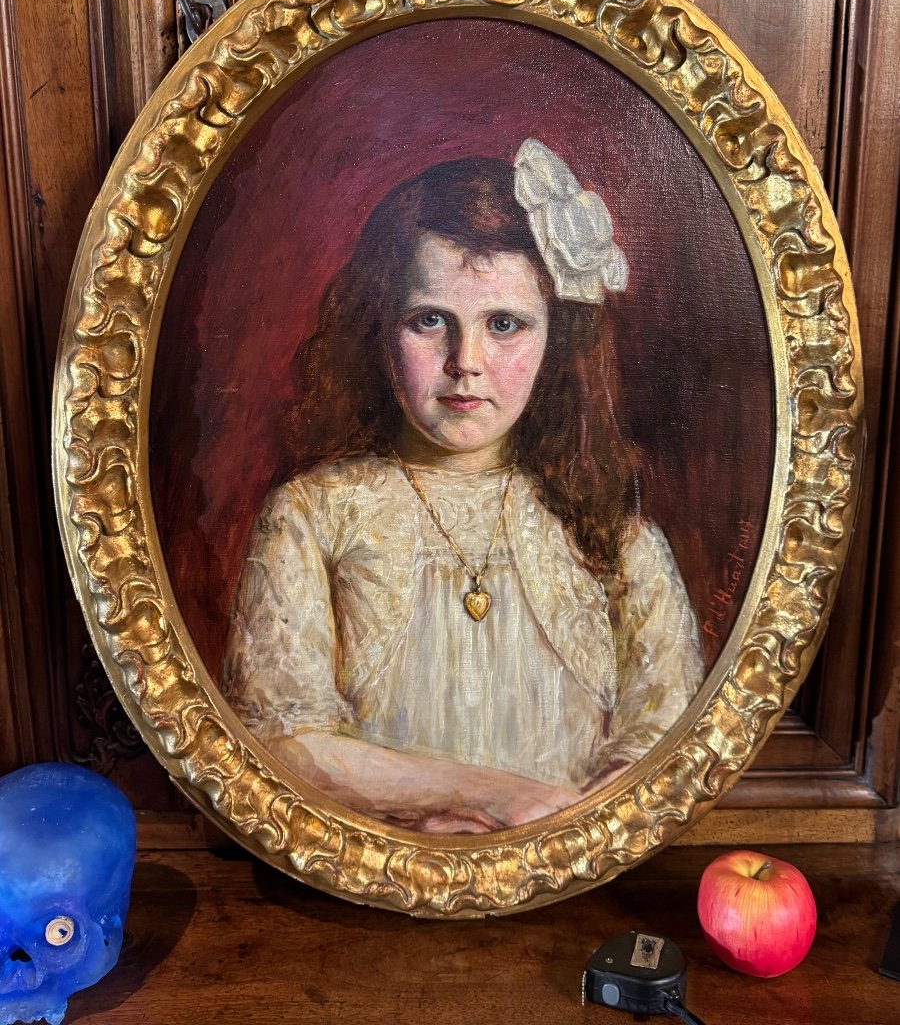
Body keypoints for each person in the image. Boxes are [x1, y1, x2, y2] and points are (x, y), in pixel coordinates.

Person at [222, 139, 704, 833]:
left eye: (503, 325)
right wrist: (489, 797)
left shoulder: (612, 526)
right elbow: (283, 745)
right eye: (429, 321)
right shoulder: (313, 512)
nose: (465, 363)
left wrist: (549, 836)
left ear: (554, 340)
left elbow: (664, 732)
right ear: (379, 331)